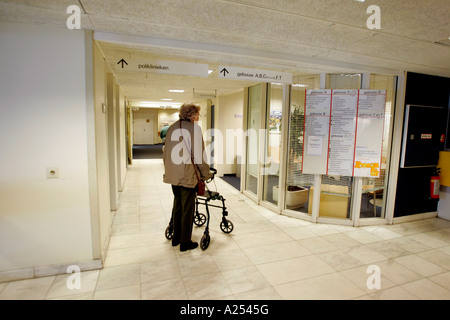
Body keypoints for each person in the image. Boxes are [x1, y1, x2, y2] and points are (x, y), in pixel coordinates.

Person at [163, 103, 212, 252]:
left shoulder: (172, 128)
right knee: (187, 209)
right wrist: (206, 173)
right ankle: (185, 242)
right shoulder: (194, 129)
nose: (198, 117)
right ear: (191, 115)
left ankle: (176, 238)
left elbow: (165, 152)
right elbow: (199, 156)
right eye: (197, 114)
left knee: (177, 205)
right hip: (187, 175)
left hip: (173, 174)